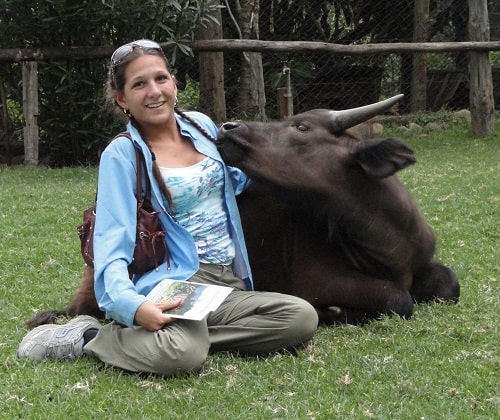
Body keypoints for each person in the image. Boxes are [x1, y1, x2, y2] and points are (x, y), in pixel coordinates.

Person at [17, 39, 318, 376]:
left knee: (300, 318)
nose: (154, 91)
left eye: (161, 78)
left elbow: (233, 182)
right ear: (122, 99)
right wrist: (132, 306)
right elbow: (111, 244)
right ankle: (87, 336)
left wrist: (297, 160)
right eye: (139, 84)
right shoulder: (122, 154)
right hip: (174, 283)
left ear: (174, 82)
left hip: (225, 282)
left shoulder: (202, 126)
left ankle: (182, 341)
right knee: (181, 357)